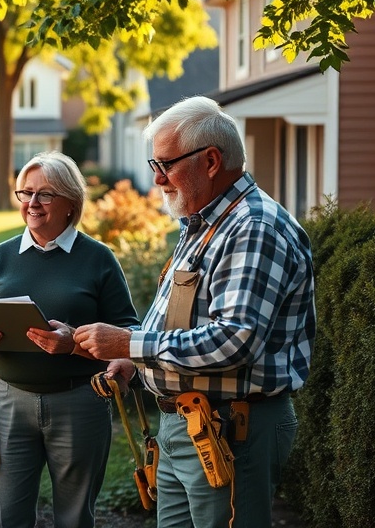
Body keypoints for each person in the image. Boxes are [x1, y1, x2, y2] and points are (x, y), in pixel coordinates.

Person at [73, 96, 316, 528]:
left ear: (210, 160)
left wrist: (130, 341)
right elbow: (188, 322)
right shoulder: (205, 223)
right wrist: (134, 359)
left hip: (232, 430)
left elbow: (233, 340)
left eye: (166, 164)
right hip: (193, 426)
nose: (158, 179)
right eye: (154, 165)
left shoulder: (252, 228)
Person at [0, 150, 139, 528]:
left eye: (45, 194)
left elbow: (129, 332)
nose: (32, 203)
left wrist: (74, 341)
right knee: (7, 518)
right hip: (9, 401)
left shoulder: (98, 258)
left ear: (70, 203)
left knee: (75, 519)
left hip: (80, 401)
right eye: (25, 193)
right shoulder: (1, 256)